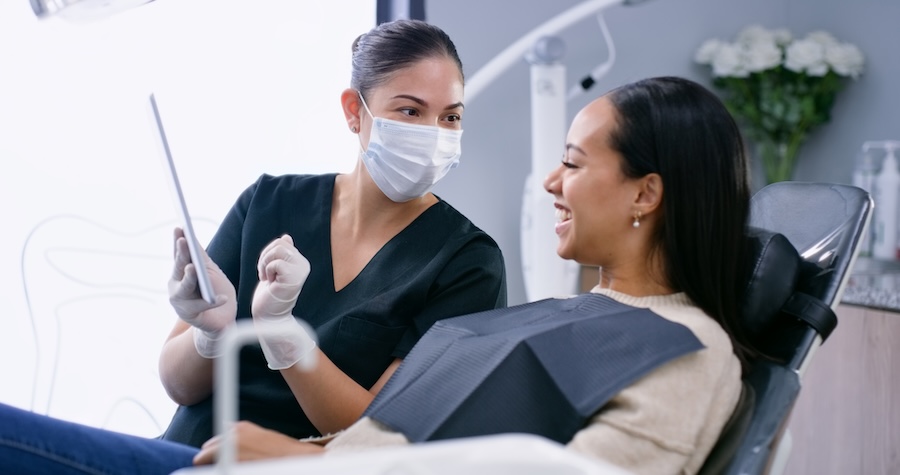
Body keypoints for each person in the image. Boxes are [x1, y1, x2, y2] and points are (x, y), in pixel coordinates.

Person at [0, 76, 760, 475]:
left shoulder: (688, 352)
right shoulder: (572, 316)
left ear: (646, 193)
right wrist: (223, 338)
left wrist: (307, 462)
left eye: (571, 161)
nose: (549, 183)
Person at [157, 18, 506, 447]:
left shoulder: (467, 262)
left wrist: (284, 337)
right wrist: (211, 334)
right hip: (176, 456)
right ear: (354, 112)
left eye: (450, 117)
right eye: (410, 111)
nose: (434, 136)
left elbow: (382, 439)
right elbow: (179, 386)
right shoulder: (267, 203)